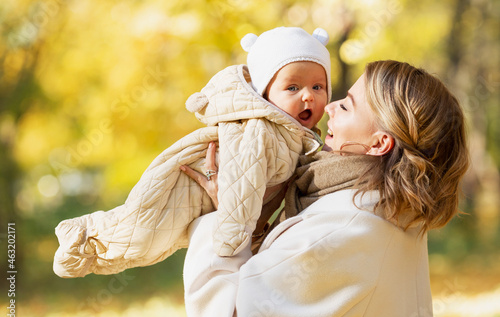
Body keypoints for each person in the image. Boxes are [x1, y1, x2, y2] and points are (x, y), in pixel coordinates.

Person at [181, 60, 470, 317]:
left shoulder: (344, 230)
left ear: (379, 143)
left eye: (346, 106)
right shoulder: (389, 212)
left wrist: (224, 217)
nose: (329, 106)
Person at [53, 27, 331, 278]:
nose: (308, 96)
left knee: (152, 245)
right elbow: (243, 182)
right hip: (186, 184)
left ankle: (86, 250)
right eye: (292, 87)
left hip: (209, 200)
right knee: (141, 236)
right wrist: (231, 242)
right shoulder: (260, 129)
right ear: (265, 93)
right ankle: (81, 233)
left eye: (317, 87)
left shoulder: (295, 138)